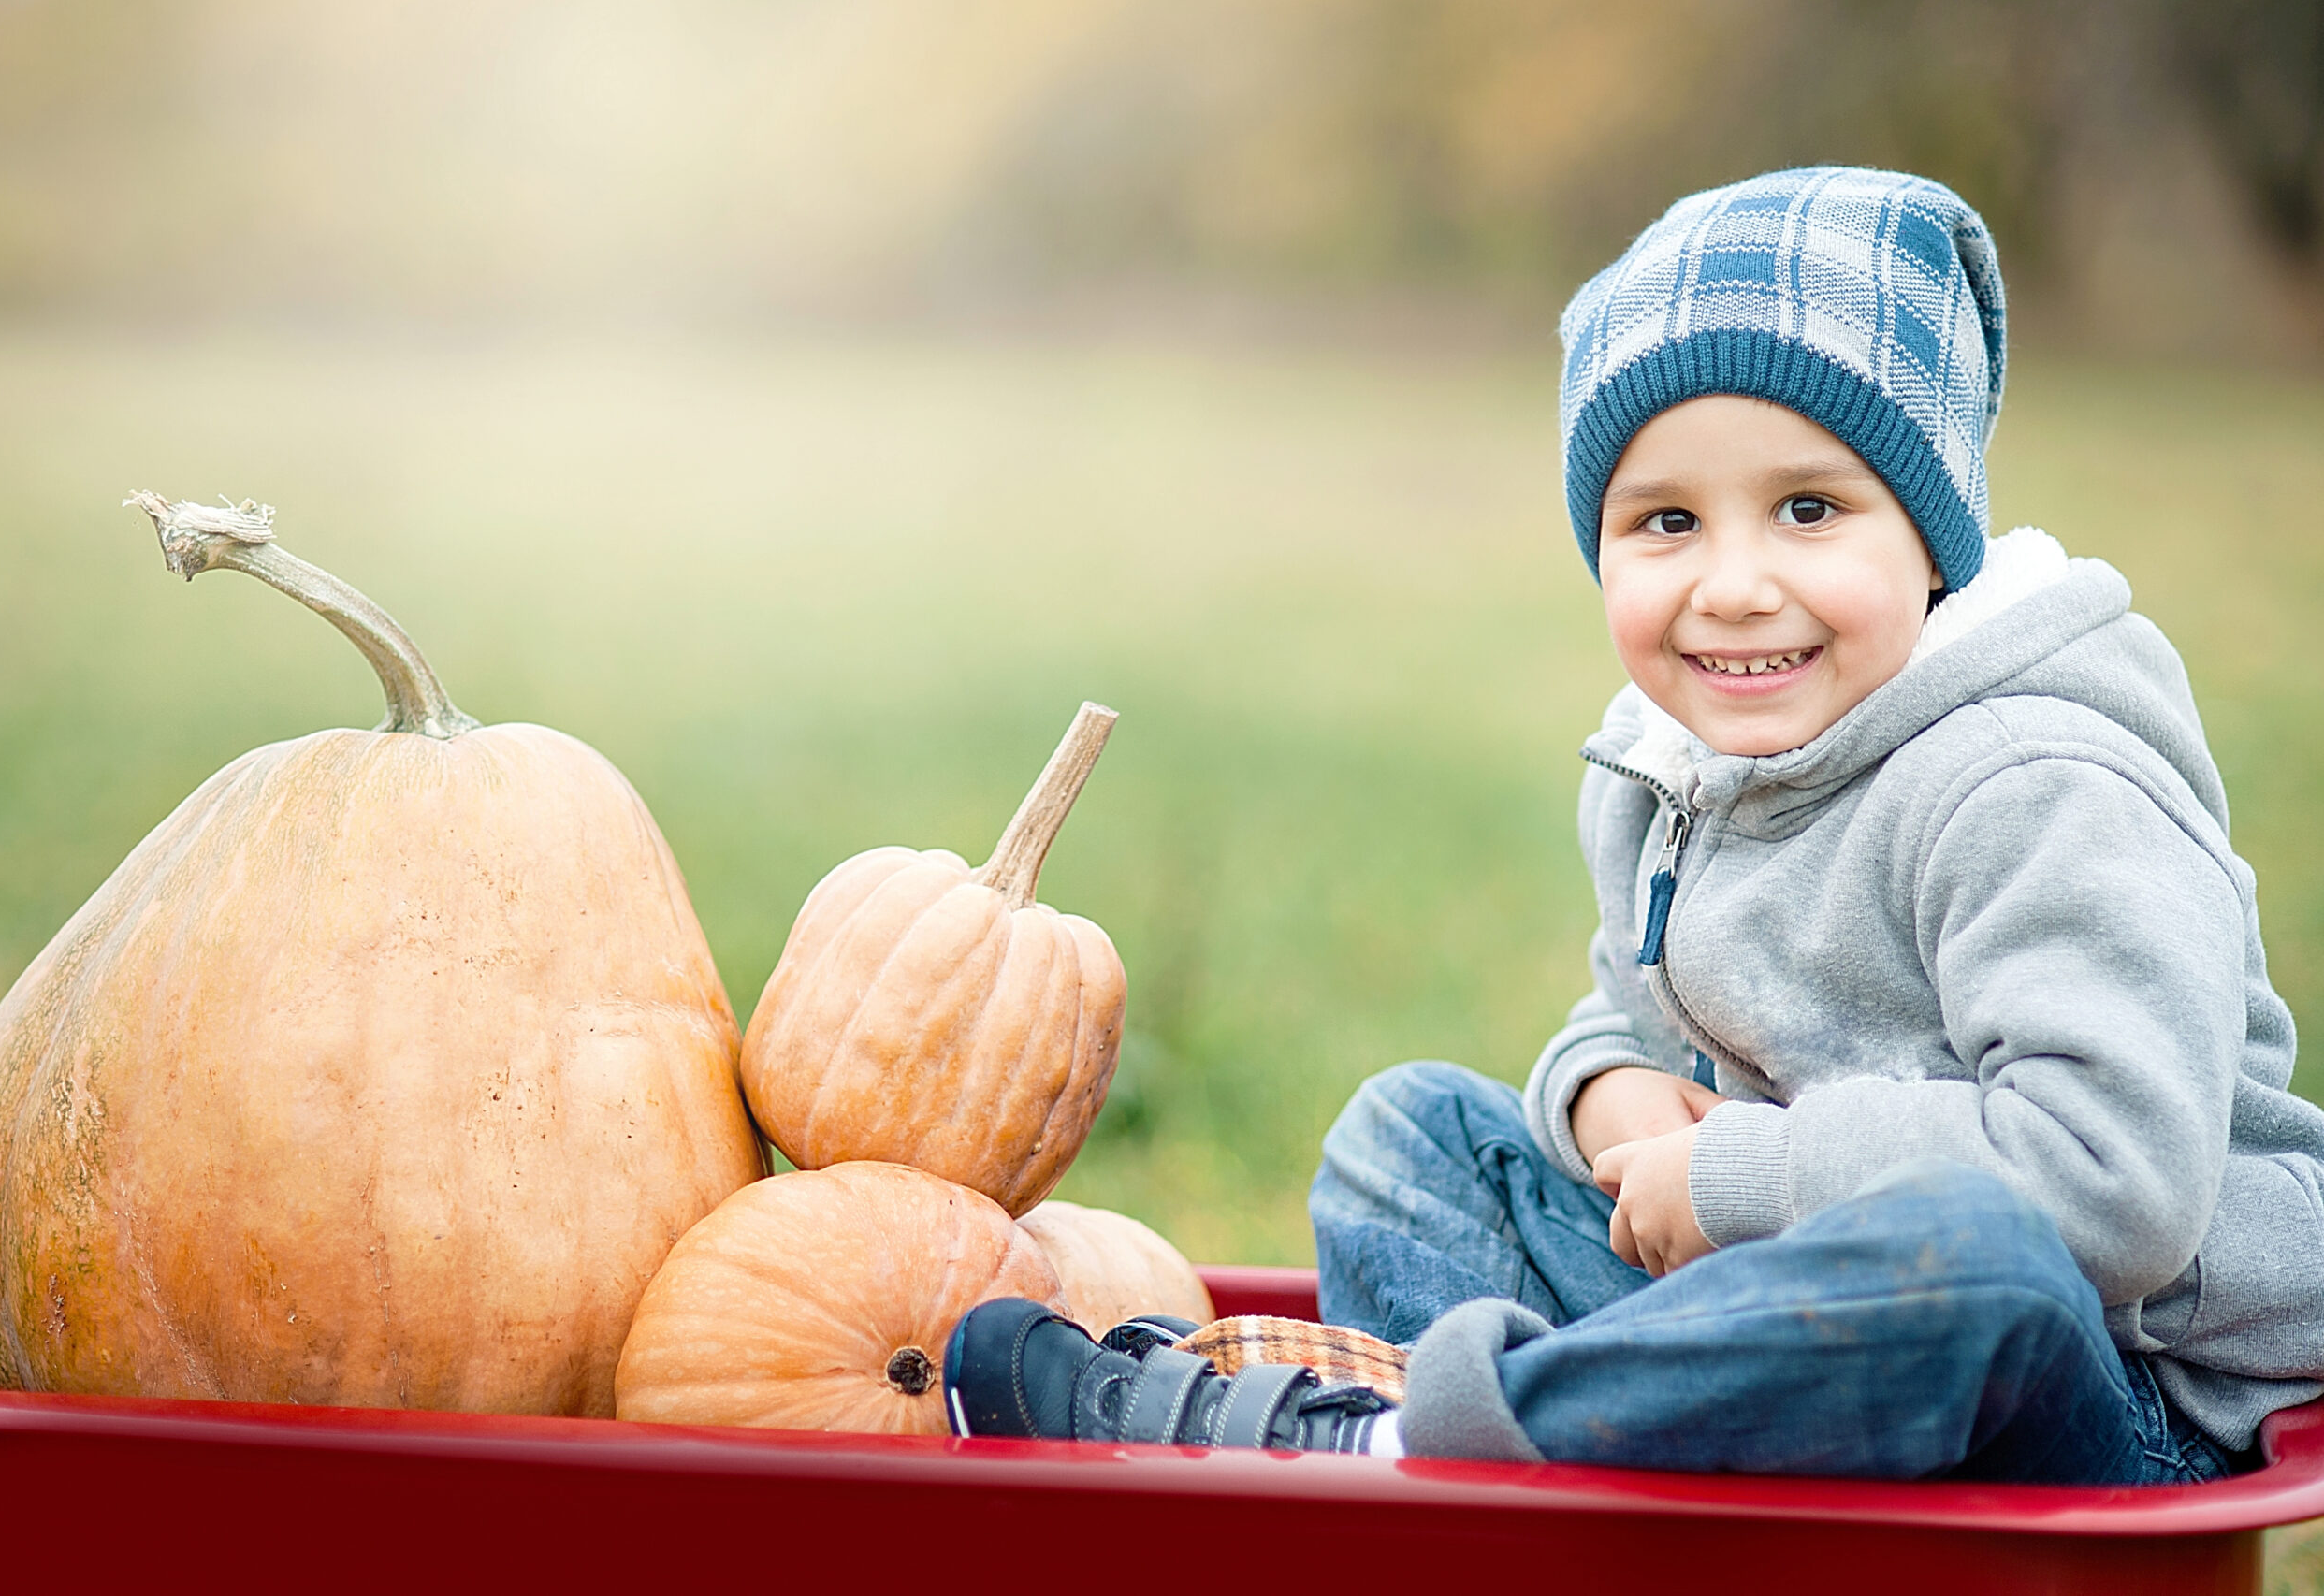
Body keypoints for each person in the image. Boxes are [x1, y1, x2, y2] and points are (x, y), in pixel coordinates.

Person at [943, 166, 2324, 1483]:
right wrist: (1605, 1092)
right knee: (1410, 1138)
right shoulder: (1675, 764)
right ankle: (1581, 1450)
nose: (1731, 585)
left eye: (1807, 508)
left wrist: (1733, 1173)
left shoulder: (2035, 785)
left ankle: (1389, 1441)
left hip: (2104, 1390)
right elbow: (1642, 1019)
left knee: (1973, 1256)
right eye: (1665, 520)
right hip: (1773, 1304)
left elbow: (2114, 1187)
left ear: (1933, 529)